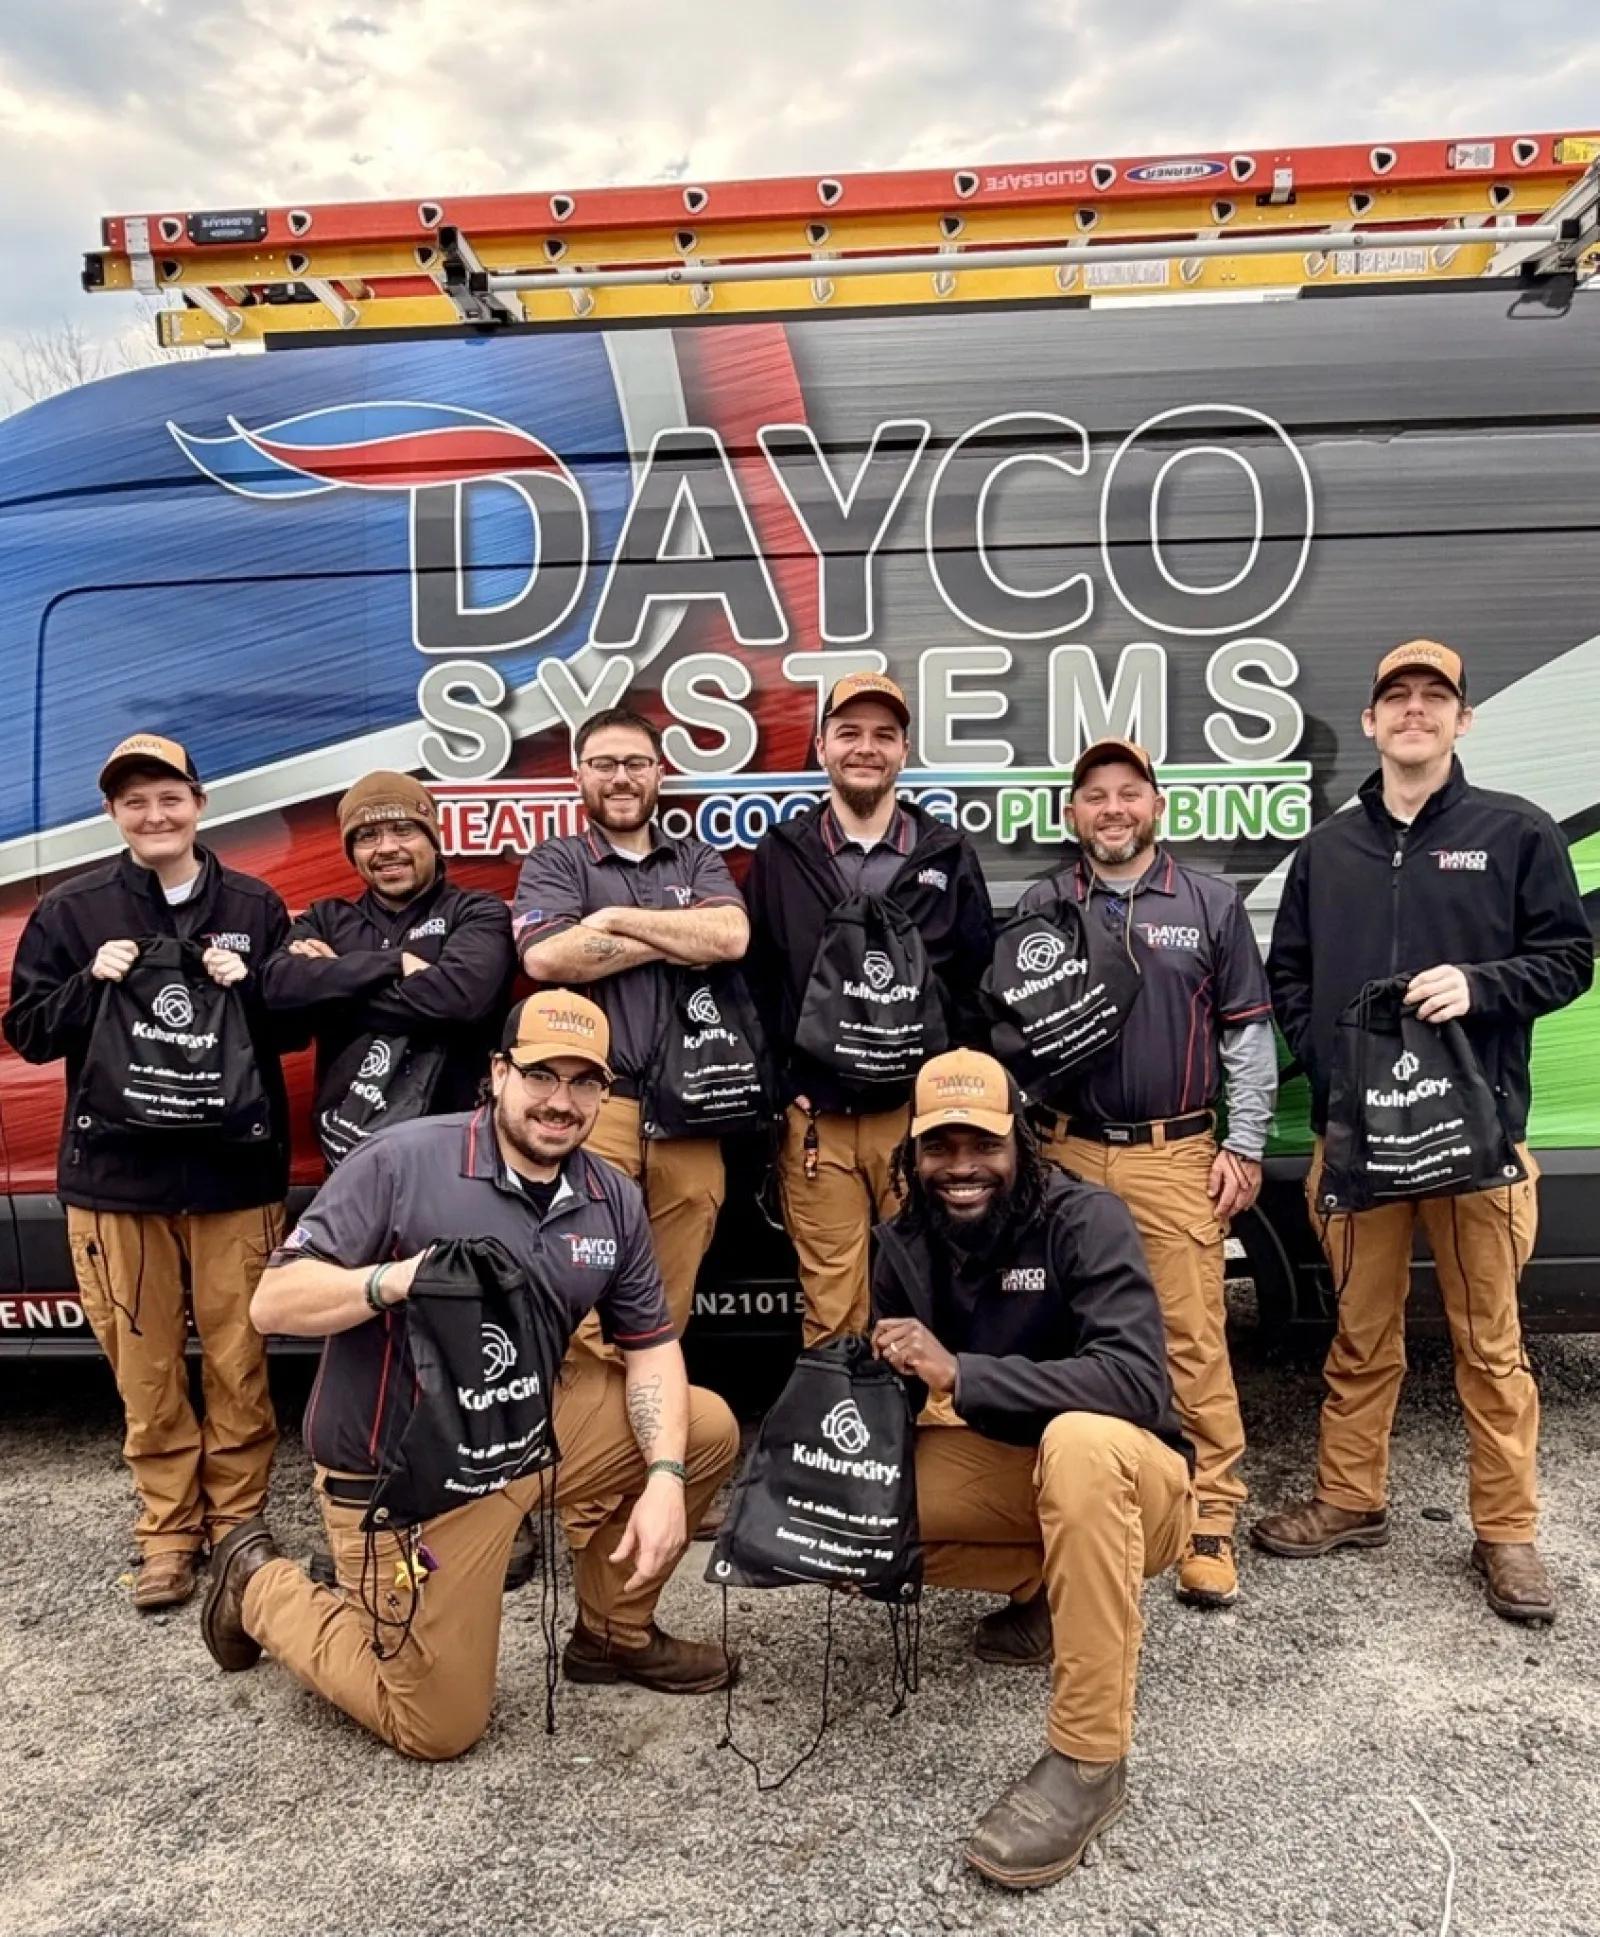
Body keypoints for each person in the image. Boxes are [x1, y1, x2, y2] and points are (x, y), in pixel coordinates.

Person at [199, 990, 739, 1759]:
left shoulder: (609, 1195)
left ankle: (613, 1633)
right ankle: (257, 1584)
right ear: (497, 1072)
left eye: (584, 1081)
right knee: (438, 1726)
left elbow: (650, 1344)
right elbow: (272, 1303)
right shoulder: (400, 1161)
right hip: (405, 1474)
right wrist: (395, 1279)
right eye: (540, 1074)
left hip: (529, 1427)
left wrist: (661, 1475)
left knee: (704, 1426)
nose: (561, 1100)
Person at [1254, 641, 1593, 1622]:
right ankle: (1350, 1498)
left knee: (1490, 1342)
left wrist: (1480, 986)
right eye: (1394, 697)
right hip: (1360, 1142)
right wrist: (1333, 1067)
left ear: (1461, 718)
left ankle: (1507, 1532)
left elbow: (1569, 958)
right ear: (1369, 720)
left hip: (1478, 1139)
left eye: (1432, 696)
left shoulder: (1514, 831)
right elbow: (1289, 974)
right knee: (1359, 1335)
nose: (1413, 710)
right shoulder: (1326, 850)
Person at [870, 1049, 1193, 1890]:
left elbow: (1135, 1381)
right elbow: (895, 1400)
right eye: (940, 1146)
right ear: (912, 1151)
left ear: (1021, 1142)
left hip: (1137, 1486)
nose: (963, 1166)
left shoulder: (1086, 1218)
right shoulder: (905, 1243)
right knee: (850, 1519)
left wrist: (962, 1374)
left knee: (1079, 1442)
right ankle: (1044, 1593)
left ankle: (1090, 1761)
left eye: (983, 1143)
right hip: (1026, 1477)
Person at [3, 734, 294, 1610]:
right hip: (118, 1184)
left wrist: (252, 985)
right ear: (112, 814)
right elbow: (27, 1031)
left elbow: (297, 1030)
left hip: (232, 1180)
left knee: (241, 1362)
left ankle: (238, 1523)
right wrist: (92, 981)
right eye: (134, 802)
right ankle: (168, 1534)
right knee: (147, 1367)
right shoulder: (75, 909)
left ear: (200, 803)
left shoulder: (254, 902)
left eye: (168, 797)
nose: (154, 814)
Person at [1017, 739, 1276, 1608]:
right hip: (1064, 1152)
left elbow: (1246, 1033)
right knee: (1058, 1333)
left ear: (1157, 806)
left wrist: (1243, 1145)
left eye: (1130, 793)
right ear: (1071, 814)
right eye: (1095, 795)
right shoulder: (1045, 901)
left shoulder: (1208, 900)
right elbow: (1016, 1035)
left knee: (1191, 1338)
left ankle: (1211, 1518)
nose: (1113, 808)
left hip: (1174, 1156)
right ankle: (1070, 1506)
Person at [746, 672, 995, 1345]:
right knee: (832, 1306)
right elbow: (756, 979)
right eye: (849, 732)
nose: (866, 748)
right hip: (816, 1125)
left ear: (904, 750)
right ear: (821, 744)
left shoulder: (946, 852)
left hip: (919, 1123)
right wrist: (783, 1090)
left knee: (936, 1288)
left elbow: (977, 981)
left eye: (883, 735)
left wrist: (955, 1096)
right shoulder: (781, 853)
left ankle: (939, 1440)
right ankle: (846, 1440)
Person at [512, 708, 749, 1338]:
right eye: (604, 764)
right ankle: (589, 1431)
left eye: (636, 763)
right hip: (595, 1104)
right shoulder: (557, 860)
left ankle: (653, 1420)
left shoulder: (696, 857)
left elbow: (729, 937)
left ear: (659, 774)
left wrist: (612, 917)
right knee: (580, 1300)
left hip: (694, 1108)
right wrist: (678, 937)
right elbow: (546, 955)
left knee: (667, 1306)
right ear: (579, 775)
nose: (621, 777)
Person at [259, 770, 516, 1142]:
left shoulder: (478, 911)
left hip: (458, 1144)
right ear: (351, 852)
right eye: (367, 836)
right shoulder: (325, 919)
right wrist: (396, 964)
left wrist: (334, 984)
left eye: (403, 830)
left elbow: (460, 999)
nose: (386, 848)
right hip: (349, 1149)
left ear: (433, 838)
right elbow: (277, 987)